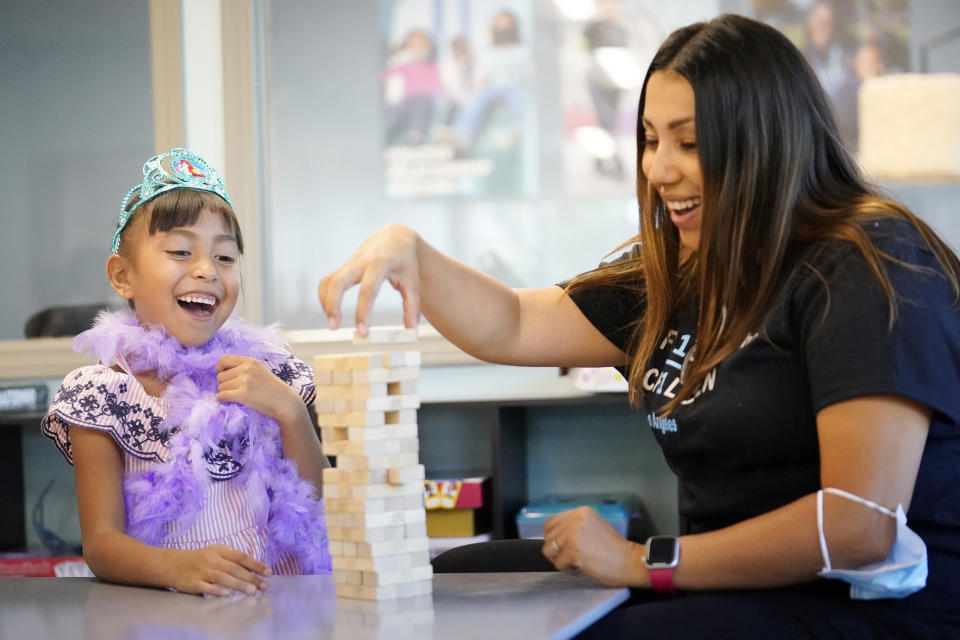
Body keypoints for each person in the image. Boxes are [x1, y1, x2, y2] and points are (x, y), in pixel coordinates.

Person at [318, 14, 960, 638]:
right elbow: (511, 324)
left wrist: (641, 561)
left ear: (763, 140)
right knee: (460, 580)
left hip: (869, 608)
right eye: (652, 140)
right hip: (728, 588)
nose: (658, 170)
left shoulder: (867, 261)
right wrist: (411, 251)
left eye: (690, 142)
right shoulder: (682, 266)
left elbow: (861, 524)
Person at [43, 148, 331, 597]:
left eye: (226, 258)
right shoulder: (104, 395)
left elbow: (313, 502)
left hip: (282, 609)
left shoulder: (269, 374)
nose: (206, 270)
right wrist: (176, 568)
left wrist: (290, 412)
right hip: (172, 614)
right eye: (180, 251)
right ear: (123, 277)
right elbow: (101, 545)